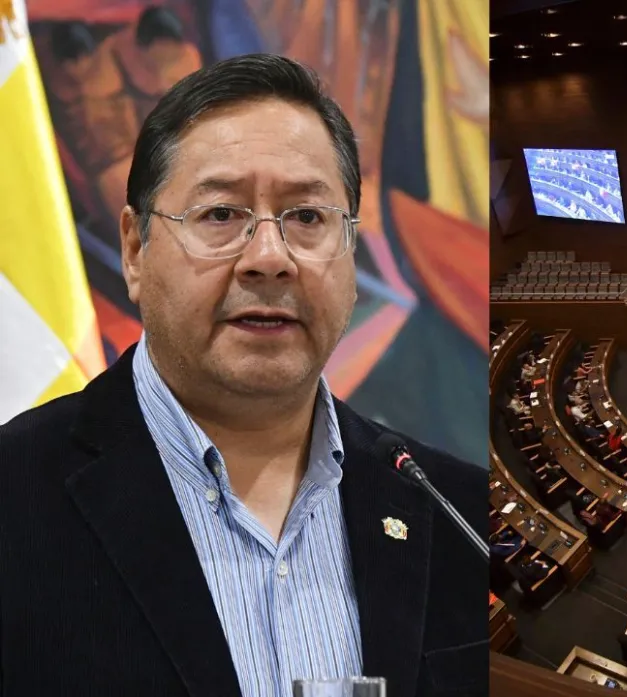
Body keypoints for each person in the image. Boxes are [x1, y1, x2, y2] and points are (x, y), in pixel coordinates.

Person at [0, 55, 486, 697]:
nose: (268, 259)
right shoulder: (15, 498)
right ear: (135, 250)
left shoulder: (454, 510)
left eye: (308, 218)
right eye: (221, 215)